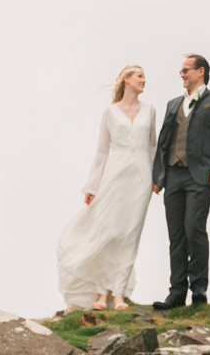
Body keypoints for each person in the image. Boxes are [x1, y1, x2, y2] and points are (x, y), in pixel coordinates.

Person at [57, 65, 158, 310]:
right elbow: (102, 151)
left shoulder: (150, 110)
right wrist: (92, 185)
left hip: (142, 177)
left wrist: (157, 177)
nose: (144, 80)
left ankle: (119, 294)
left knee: (130, 234)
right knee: (109, 231)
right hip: (115, 173)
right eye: (140, 76)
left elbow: (153, 146)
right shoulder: (110, 113)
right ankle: (102, 293)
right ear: (127, 80)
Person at [150, 53, 210, 309]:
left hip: (202, 175)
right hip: (174, 176)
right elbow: (164, 141)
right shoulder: (173, 104)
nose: (182, 75)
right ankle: (176, 293)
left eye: (186, 70)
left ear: (201, 71)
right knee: (176, 235)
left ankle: (198, 289)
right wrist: (158, 176)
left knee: (193, 229)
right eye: (181, 71)